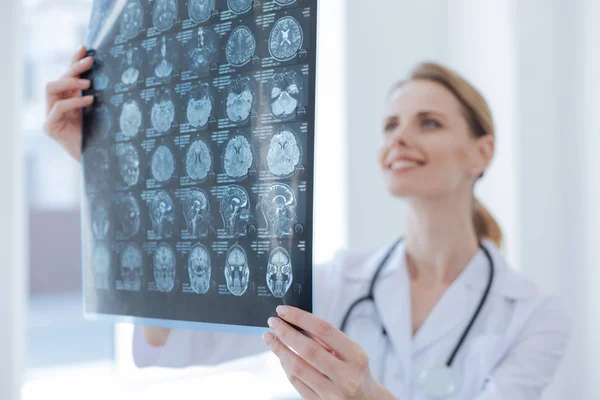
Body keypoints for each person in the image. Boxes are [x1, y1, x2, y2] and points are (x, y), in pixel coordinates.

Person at [45, 46, 570, 399]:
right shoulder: (337, 282)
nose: (399, 138)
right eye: (390, 124)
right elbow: (175, 339)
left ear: (483, 152)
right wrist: (105, 169)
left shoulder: (533, 315)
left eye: (428, 122)